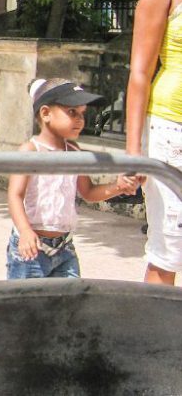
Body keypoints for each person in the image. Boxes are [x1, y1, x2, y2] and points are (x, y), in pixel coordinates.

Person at [7, 78, 139, 279]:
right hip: (31, 248)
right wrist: (25, 231)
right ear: (45, 113)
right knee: (27, 306)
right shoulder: (31, 151)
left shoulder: (75, 151)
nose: (80, 120)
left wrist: (118, 186)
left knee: (70, 304)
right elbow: (15, 195)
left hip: (64, 247)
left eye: (82, 114)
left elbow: (88, 192)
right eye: (72, 112)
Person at [126, 0, 182, 286]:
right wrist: (134, 151)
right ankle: (154, 341)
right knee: (169, 250)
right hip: (170, 131)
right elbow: (139, 74)